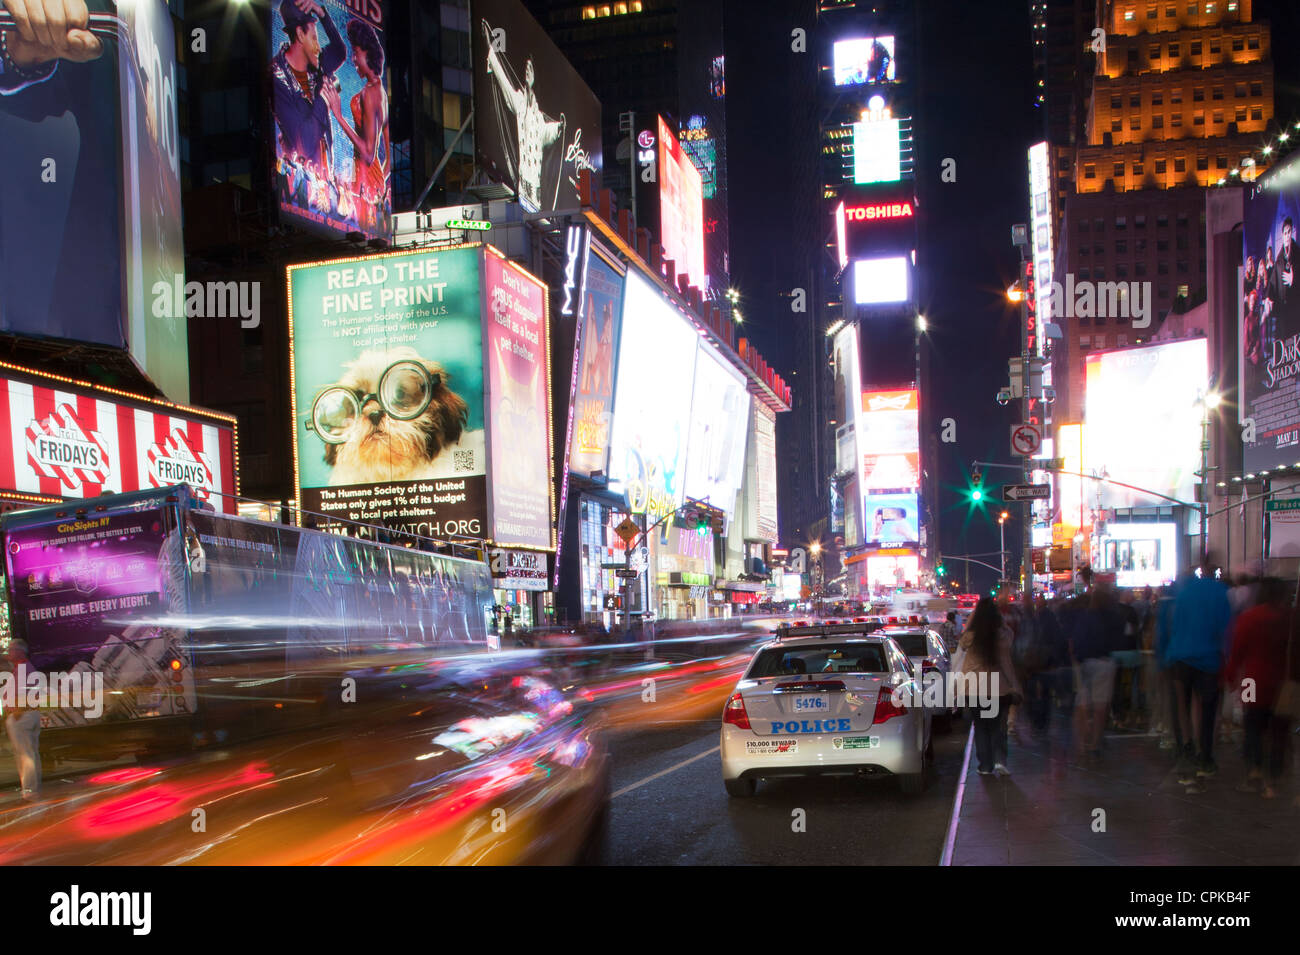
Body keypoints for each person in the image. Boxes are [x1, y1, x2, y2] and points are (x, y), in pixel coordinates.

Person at [1167, 556, 1234, 788]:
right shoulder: (1221, 592)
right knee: (1207, 709)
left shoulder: (1186, 592)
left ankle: (1185, 749)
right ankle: (1205, 757)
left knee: (1183, 706)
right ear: (1215, 569)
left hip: (1181, 656)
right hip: (1208, 658)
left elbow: (1176, 624)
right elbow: (1227, 629)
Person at [1223, 576, 1290, 798]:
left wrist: (1231, 678)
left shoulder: (1249, 618)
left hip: (1252, 680)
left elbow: (1238, 651)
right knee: (1278, 730)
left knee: (1252, 726)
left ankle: (1254, 771)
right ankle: (1274, 779)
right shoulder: (1288, 618)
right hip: (1281, 682)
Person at [328, 18, 389, 232]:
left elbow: (368, 153)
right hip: (369, 179)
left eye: (356, 52)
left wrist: (338, 115)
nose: (353, 59)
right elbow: (386, 155)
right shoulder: (380, 91)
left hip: (367, 180)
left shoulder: (371, 93)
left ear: (368, 52)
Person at [271, 0, 345, 174]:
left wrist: (323, 14)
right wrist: (324, 97)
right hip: (302, 185)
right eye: (314, 38)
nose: (318, 47)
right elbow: (304, 143)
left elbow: (340, 52)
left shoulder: (316, 63)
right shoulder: (276, 78)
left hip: (326, 180)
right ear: (300, 34)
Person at [957, 597, 1022, 777]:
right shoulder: (1001, 635)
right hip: (997, 688)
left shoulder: (971, 636)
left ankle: (985, 765)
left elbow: (961, 644)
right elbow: (1010, 643)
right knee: (997, 726)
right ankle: (999, 760)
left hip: (975, 689)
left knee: (980, 727)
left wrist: (972, 619)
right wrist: (1015, 686)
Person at [1070, 583, 1122, 759]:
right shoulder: (1112, 618)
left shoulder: (1086, 616)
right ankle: (1094, 743)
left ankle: (1082, 743)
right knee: (1100, 706)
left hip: (1085, 662)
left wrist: (1076, 657)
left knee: (1082, 704)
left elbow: (1076, 639)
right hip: (1104, 662)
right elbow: (1118, 638)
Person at [2, 639, 42, 801]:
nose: (9, 652)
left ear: (20, 651)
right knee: (30, 753)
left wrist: (16, 712)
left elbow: (21, 694)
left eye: (11, 649)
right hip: (28, 715)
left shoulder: (23, 669)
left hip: (22, 716)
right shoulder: (24, 668)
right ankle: (33, 787)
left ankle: (29, 789)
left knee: (25, 754)